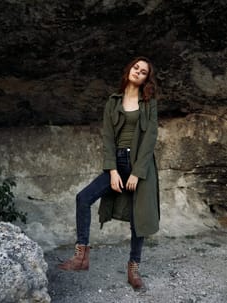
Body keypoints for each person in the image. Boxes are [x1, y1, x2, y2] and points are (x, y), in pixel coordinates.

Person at [58, 56, 160, 290]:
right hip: (118, 162)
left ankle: (133, 268)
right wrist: (113, 171)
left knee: (138, 218)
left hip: (138, 166)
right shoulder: (113, 102)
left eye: (143, 71)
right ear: (129, 70)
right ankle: (81, 256)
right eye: (136, 67)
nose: (138, 72)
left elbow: (150, 139)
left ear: (147, 78)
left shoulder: (149, 103)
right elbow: (107, 138)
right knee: (83, 198)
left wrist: (137, 173)